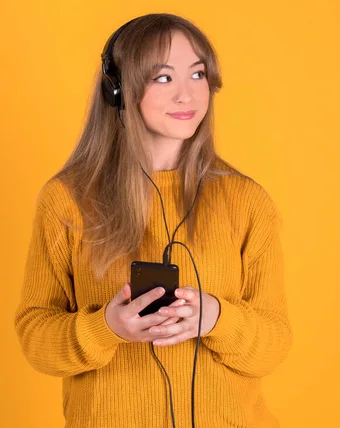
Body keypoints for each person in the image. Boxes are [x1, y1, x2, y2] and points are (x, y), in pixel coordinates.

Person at [14, 13, 292, 428]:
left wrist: (217, 318)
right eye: (163, 78)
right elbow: (36, 341)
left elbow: (274, 345)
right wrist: (106, 327)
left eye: (198, 74)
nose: (187, 95)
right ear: (118, 90)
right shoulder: (66, 201)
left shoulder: (247, 201)